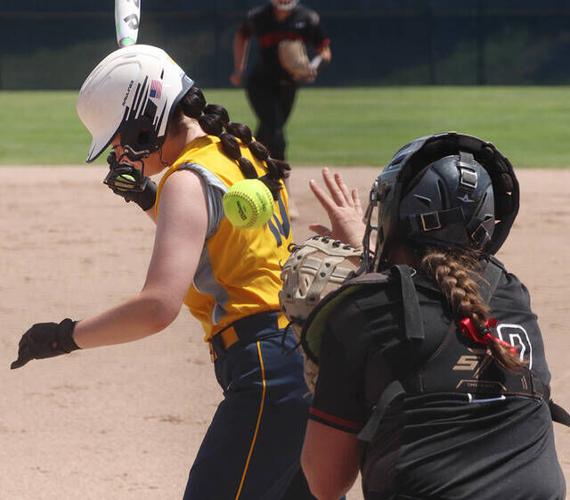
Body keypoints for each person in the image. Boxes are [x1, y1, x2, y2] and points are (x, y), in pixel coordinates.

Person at [11, 44, 317, 499]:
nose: (118, 152)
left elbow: (157, 307)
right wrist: (147, 197)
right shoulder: (238, 152)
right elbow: (220, 237)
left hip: (265, 369)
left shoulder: (187, 181)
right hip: (301, 358)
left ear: (142, 124)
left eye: (118, 138)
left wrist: (65, 336)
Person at [297, 133, 569, 499]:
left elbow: (326, 482)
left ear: (396, 214)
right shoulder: (512, 296)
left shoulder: (363, 309)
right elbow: (440, 305)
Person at [231, 0, 332, 217]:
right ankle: (285, 194)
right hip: (260, 84)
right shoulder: (259, 16)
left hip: (288, 86)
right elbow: (241, 35)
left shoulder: (306, 18)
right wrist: (239, 68)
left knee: (266, 134)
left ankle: (245, 173)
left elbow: (325, 50)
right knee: (277, 134)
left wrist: (312, 67)